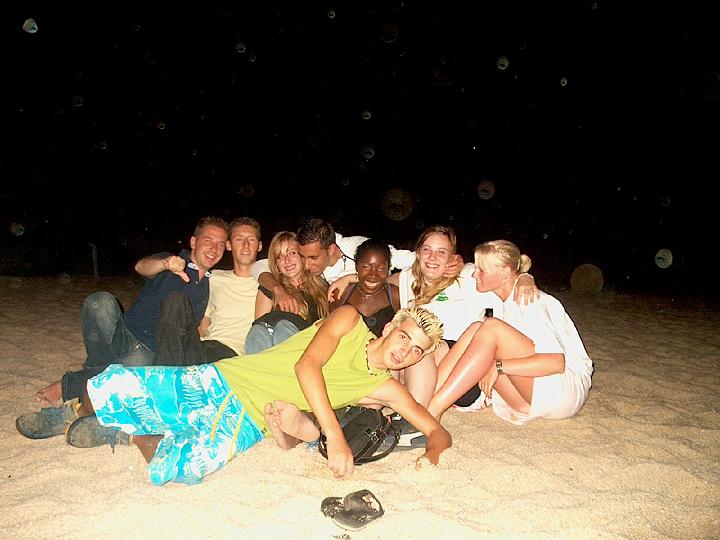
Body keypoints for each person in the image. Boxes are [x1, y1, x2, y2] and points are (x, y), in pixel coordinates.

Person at [64, 305, 450, 485]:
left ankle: (131, 433)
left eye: (416, 350)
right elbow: (307, 367)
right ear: (391, 328)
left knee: (186, 469)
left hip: (251, 418)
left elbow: (437, 431)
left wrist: (432, 453)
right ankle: (75, 412)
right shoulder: (349, 320)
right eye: (405, 337)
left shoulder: (382, 388)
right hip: (228, 379)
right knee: (112, 387)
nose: (406, 351)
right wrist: (335, 436)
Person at [15, 216, 230, 440]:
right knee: (100, 302)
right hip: (125, 333)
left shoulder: (207, 285)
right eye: (208, 241)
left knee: (135, 364)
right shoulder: (174, 262)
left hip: (149, 351)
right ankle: (94, 373)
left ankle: (73, 384)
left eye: (220, 244)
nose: (214, 249)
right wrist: (166, 263)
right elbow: (141, 267)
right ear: (194, 242)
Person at [427, 240, 594, 425]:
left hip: (564, 391)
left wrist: (500, 367)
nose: (475, 274)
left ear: (505, 273)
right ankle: (425, 401)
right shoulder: (503, 298)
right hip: (526, 400)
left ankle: (434, 409)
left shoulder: (529, 300)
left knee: (490, 328)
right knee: (477, 328)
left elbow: (556, 363)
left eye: (481, 270)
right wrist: (525, 276)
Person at [252, 218, 462, 314]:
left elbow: (405, 259)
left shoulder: (357, 248)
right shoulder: (307, 253)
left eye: (313, 258)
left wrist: (452, 261)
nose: (306, 264)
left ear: (331, 249)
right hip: (343, 313)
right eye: (302, 257)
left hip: (379, 304)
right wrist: (278, 289)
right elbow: (261, 265)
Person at [155, 217, 264, 365]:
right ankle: (165, 370)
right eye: (239, 239)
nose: (245, 245)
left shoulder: (267, 282)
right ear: (229, 245)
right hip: (202, 347)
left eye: (251, 239)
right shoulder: (213, 278)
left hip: (231, 355)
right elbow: (204, 324)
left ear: (259, 246)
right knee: (175, 301)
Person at [244, 231, 329, 353]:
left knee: (283, 328)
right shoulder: (270, 287)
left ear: (302, 255)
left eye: (292, 253)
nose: (287, 261)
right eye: (280, 256)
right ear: (276, 265)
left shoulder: (322, 287)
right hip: (266, 340)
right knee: (258, 331)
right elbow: (258, 323)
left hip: (303, 342)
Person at [329, 238, 399, 338]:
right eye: (366, 267)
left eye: (381, 268)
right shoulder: (340, 294)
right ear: (356, 266)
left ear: (388, 269)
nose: (373, 275)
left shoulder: (396, 296)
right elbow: (328, 332)